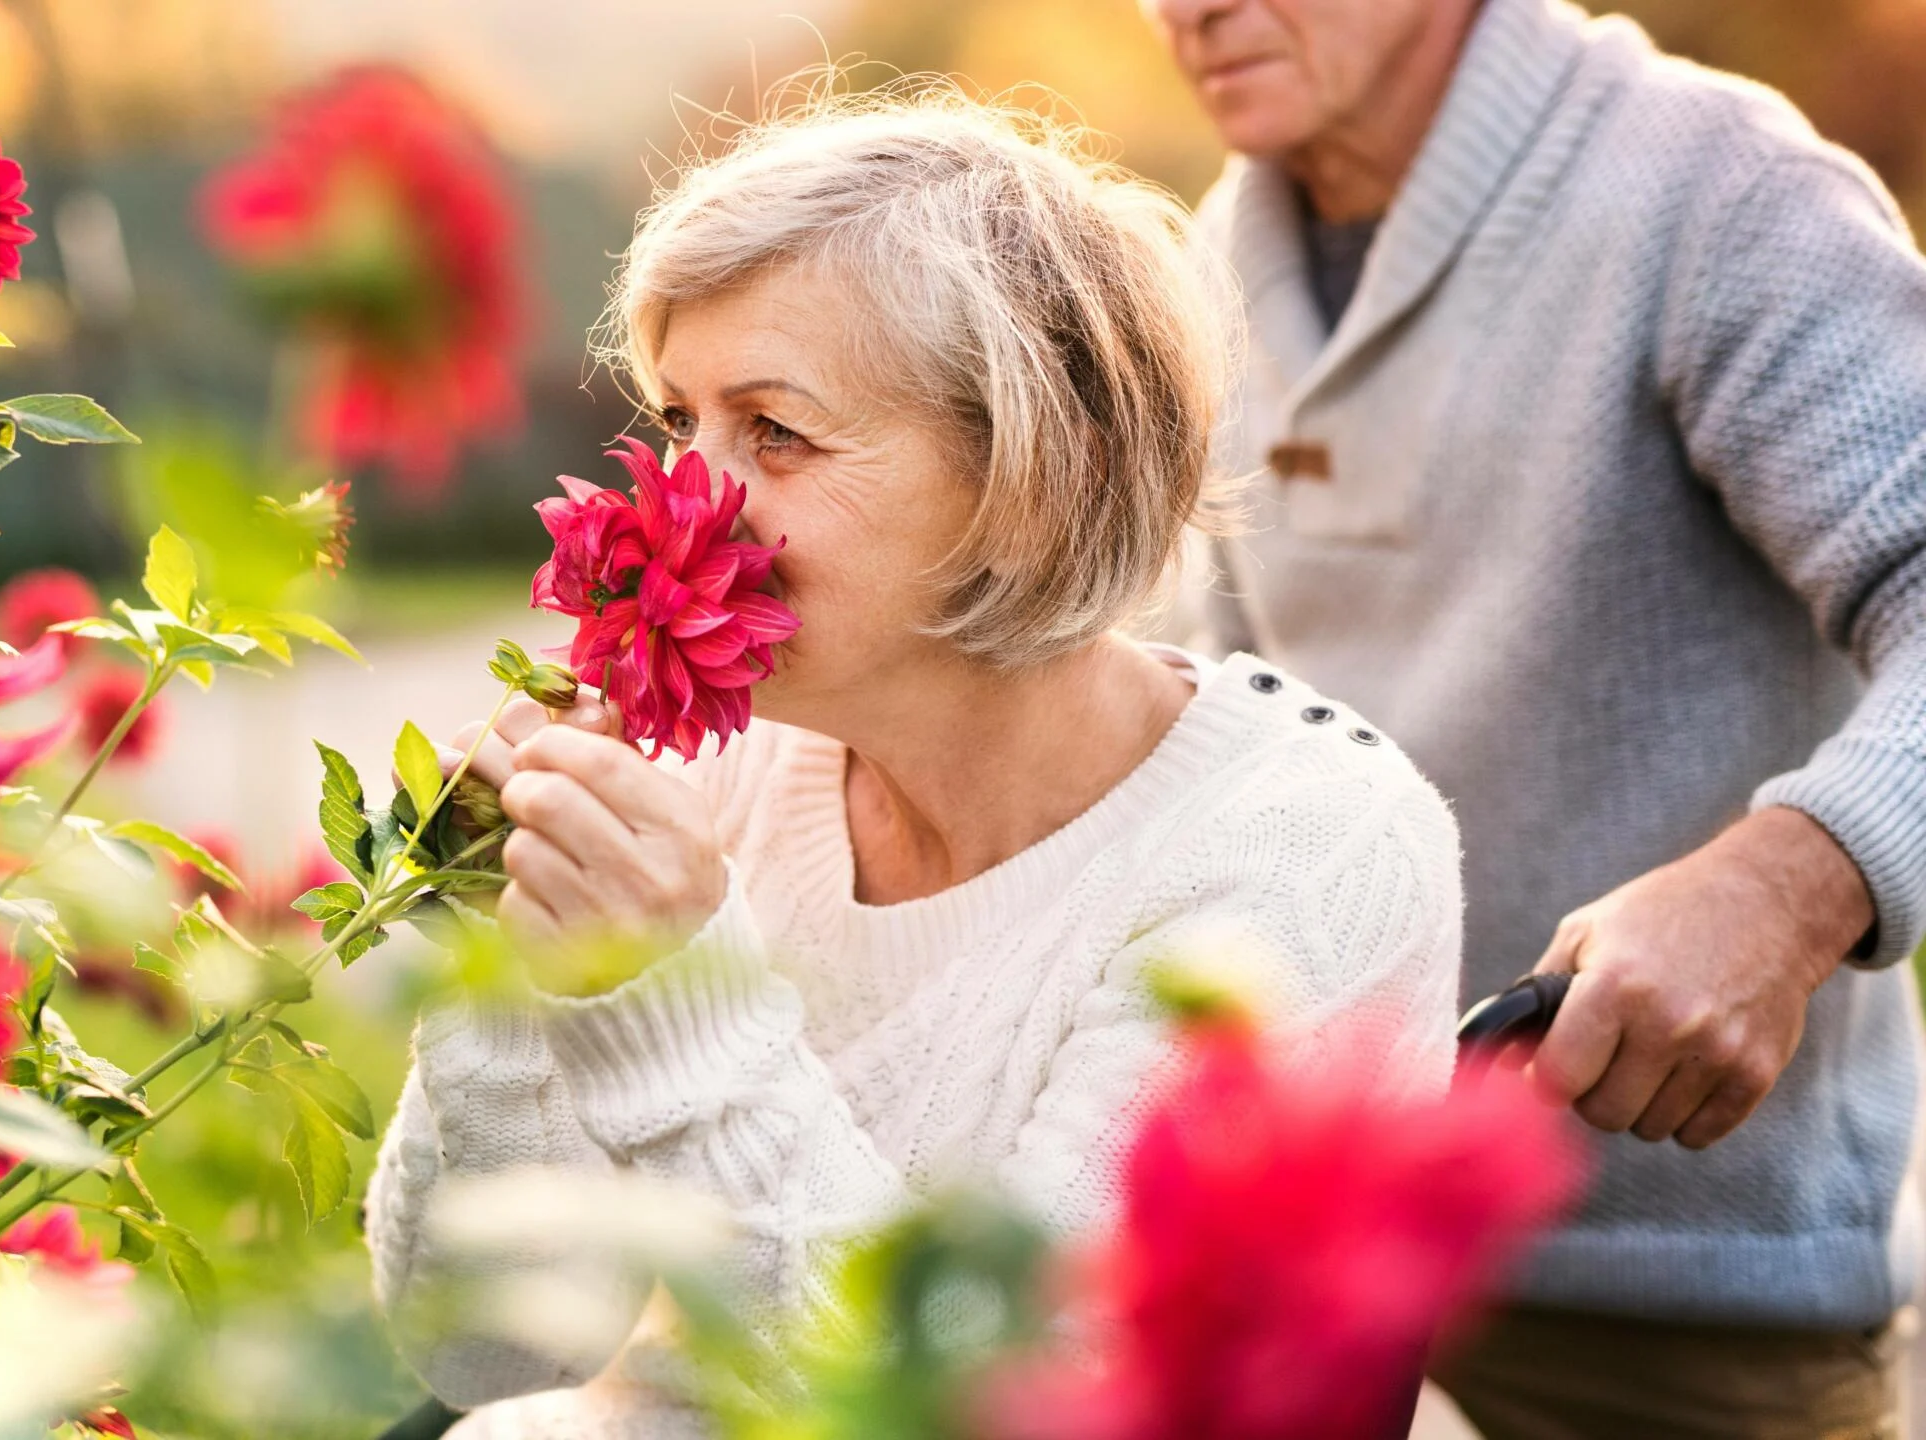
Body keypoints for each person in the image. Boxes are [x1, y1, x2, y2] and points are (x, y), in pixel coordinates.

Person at [362, 89, 1467, 1437]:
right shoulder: (717, 770)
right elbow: (485, 1357)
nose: (680, 500)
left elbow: (1010, 1409)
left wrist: (681, 1006)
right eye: (679, 421)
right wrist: (502, 978)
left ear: (1030, 485)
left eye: (775, 430)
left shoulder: (1303, 853)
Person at [1144, 0, 1926, 1432]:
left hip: (1681, 1314)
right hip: (1326, 1288)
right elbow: (1231, 736)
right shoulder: (1211, 260)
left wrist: (1792, 882)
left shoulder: (1716, 192)